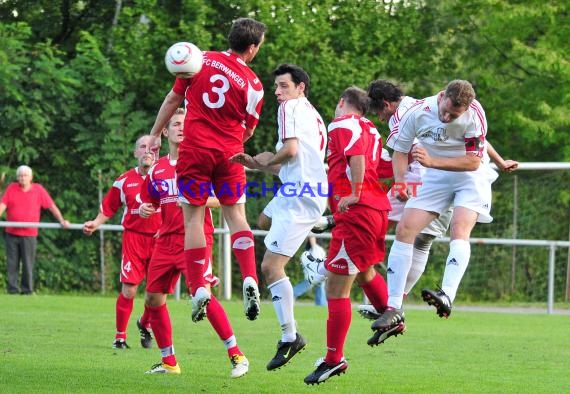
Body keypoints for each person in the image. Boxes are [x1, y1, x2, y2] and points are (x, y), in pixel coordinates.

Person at [359, 80, 518, 322]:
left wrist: (433, 161)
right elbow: (400, 151)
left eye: (454, 115)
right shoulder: (417, 112)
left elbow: (474, 160)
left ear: (466, 109)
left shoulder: (475, 113)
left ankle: (447, 295)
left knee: (459, 229)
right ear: (441, 96)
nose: (446, 117)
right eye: (445, 110)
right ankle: (392, 307)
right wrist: (401, 182)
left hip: (470, 176)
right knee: (405, 230)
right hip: (435, 177)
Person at [148, 17, 267, 323]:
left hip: (194, 154)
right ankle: (250, 278)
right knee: (236, 216)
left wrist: (154, 133)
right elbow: (248, 132)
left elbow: (174, 98)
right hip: (230, 156)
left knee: (193, 220)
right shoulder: (255, 86)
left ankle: (198, 285)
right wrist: (229, 146)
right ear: (252, 48)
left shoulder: (200, 60)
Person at [230, 64, 328, 371]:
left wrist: (270, 160)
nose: (277, 91)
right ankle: (318, 226)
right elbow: (285, 161)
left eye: (284, 86)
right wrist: (255, 163)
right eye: (276, 87)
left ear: (300, 88)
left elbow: (289, 150)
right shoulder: (310, 114)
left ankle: (290, 336)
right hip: (299, 192)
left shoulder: (289, 109)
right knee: (262, 220)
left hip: (300, 196)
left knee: (270, 267)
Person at [140, 109, 249, 378]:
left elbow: (223, 198)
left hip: (196, 240)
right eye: (175, 124)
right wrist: (146, 208)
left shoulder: (202, 163)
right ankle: (169, 362)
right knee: (153, 299)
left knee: (205, 297)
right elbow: (153, 200)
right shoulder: (157, 169)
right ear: (165, 131)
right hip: (165, 242)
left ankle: (237, 355)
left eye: (185, 124)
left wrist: (193, 200)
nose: (181, 128)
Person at [303, 87, 393, 385]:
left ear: (342, 103)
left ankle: (333, 360)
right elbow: (381, 167)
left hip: (357, 213)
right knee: (365, 272)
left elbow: (356, 158)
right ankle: (389, 315)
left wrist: (354, 193)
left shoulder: (341, 124)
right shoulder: (371, 130)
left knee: (335, 290)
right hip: (375, 210)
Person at [83, 135, 161, 349]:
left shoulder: (166, 178)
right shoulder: (124, 180)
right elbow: (109, 206)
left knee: (156, 294)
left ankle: (144, 323)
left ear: (158, 153)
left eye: (152, 148)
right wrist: (96, 223)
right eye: (142, 147)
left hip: (161, 241)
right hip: (134, 239)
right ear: (136, 153)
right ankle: (120, 337)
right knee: (129, 290)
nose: (147, 151)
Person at [0, 165, 70, 295]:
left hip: (29, 234)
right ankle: (12, 290)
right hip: (12, 233)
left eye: (25, 175)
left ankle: (27, 290)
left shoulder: (38, 190)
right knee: (12, 263)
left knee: (28, 264)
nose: (22, 178)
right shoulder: (11, 188)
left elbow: (51, 206)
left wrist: (61, 220)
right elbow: (2, 205)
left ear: (31, 177)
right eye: (20, 176)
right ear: (17, 177)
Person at [293, 237, 327, 306]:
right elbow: (312, 236)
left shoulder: (318, 249)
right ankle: (292, 293)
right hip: (314, 266)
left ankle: (321, 303)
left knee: (320, 284)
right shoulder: (314, 248)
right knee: (310, 283)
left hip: (318, 264)